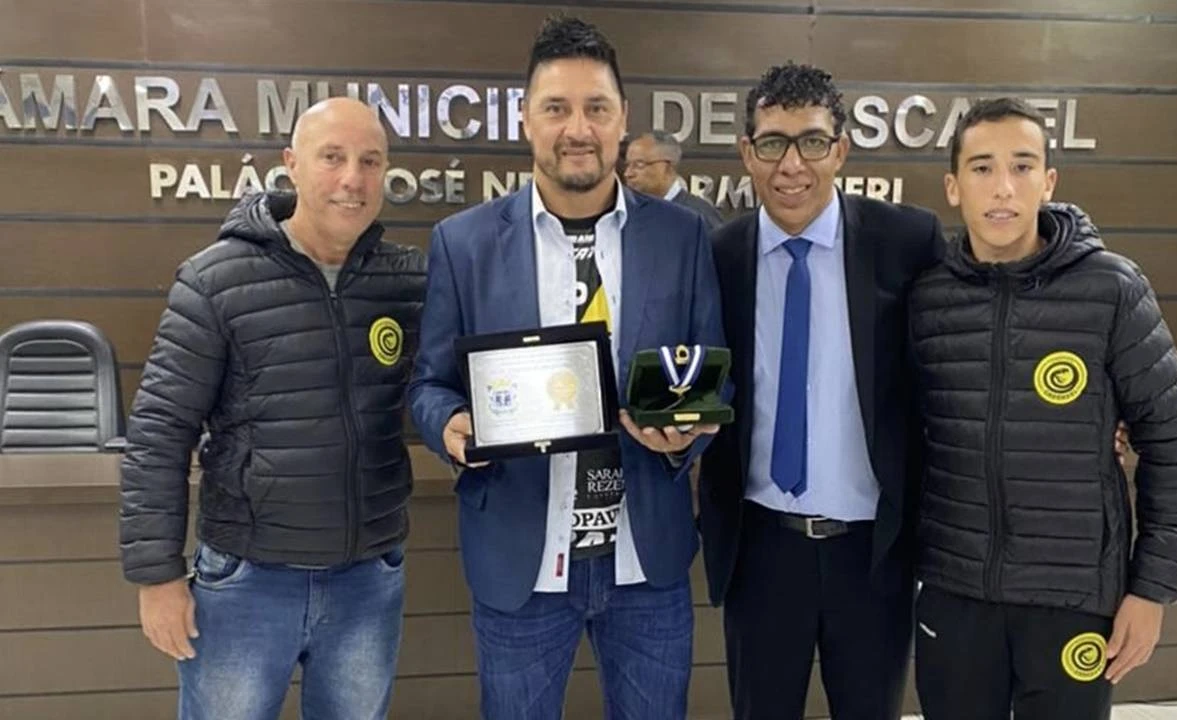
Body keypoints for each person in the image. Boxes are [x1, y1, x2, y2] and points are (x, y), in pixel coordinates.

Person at [407, 15, 725, 720]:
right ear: (525, 119)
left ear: (623, 120)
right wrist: (450, 425)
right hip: (520, 562)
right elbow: (428, 384)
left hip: (647, 561)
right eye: (556, 108)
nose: (577, 128)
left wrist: (688, 436)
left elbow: (712, 370)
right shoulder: (464, 243)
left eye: (596, 108)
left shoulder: (682, 237)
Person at [118, 97, 426, 720]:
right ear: (291, 163)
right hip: (247, 582)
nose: (353, 178)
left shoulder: (408, 281)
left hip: (368, 579)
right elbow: (160, 431)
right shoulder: (216, 280)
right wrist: (157, 575)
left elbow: (443, 388)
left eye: (370, 161)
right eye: (332, 157)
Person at [908, 97, 1177, 719]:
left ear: (1048, 182)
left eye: (1022, 166)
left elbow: (1174, 443)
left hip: (1073, 600)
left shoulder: (1112, 288)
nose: (1003, 188)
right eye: (982, 168)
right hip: (956, 593)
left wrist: (1153, 590)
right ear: (953, 186)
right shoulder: (928, 297)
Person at [698, 62, 944, 719]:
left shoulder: (906, 242)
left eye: (811, 141)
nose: (791, 165)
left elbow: (964, 346)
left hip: (872, 555)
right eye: (772, 143)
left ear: (840, 150)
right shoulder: (719, 256)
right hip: (760, 549)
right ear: (746, 152)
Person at [623, 130, 724, 227]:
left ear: (667, 168)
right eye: (627, 165)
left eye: (639, 165)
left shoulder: (699, 216)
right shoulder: (626, 214)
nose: (628, 174)